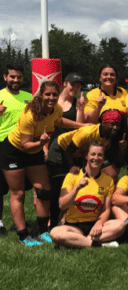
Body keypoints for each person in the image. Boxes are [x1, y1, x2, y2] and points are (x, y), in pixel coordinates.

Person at [1, 81, 87, 246]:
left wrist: (81, 126)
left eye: (54, 94)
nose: (51, 98)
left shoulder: (56, 109)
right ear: (41, 95)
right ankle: (23, 236)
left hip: (35, 149)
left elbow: (59, 121)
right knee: (18, 194)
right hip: (14, 151)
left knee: (44, 191)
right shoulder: (29, 115)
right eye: (47, 94)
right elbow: (26, 145)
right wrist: (41, 144)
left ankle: (42, 231)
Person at [50, 141, 125, 248]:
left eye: (100, 155)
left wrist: (99, 223)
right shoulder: (72, 176)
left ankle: (76, 242)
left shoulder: (108, 180)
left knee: (120, 225)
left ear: (103, 158)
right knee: (55, 233)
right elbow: (62, 205)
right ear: (86, 156)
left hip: (95, 225)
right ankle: (95, 244)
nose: (96, 158)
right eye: (93, 154)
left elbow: (106, 209)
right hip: (73, 226)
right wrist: (77, 188)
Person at [45, 72, 85, 230]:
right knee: (54, 187)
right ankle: (51, 220)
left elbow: (79, 128)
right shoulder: (52, 102)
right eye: (73, 84)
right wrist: (43, 148)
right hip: (54, 150)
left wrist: (80, 110)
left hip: (71, 151)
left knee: (71, 185)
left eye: (78, 86)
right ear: (64, 84)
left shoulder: (77, 103)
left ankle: (65, 218)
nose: (75, 88)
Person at [47, 108, 128, 186]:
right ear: (103, 123)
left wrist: (122, 150)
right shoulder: (87, 132)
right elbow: (68, 151)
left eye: (118, 125)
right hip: (61, 148)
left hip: (79, 154)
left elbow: (117, 164)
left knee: (110, 175)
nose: (115, 128)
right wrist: (72, 166)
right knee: (61, 181)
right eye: (112, 124)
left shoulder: (111, 138)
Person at [0, 64, 33, 237]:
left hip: (23, 147)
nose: (15, 80)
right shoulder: (0, 96)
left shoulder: (29, 97)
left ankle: (18, 222)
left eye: (18, 77)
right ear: (5, 77)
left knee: (19, 189)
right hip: (2, 146)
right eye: (12, 76)